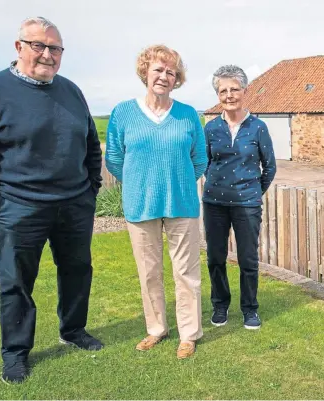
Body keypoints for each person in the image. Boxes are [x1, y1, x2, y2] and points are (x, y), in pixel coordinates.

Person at [0, 17, 104, 384]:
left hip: (74, 203)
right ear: (18, 47)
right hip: (18, 206)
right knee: (15, 283)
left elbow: (91, 142)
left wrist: (90, 187)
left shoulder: (71, 91)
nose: (47, 54)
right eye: (38, 46)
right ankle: (15, 353)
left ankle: (73, 330)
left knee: (77, 271)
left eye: (55, 48)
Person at [106, 45, 207, 359]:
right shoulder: (123, 112)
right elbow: (113, 158)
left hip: (183, 205)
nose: (164, 76)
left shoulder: (188, 114)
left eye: (171, 72)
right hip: (140, 205)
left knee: (186, 272)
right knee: (149, 272)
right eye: (158, 70)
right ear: (145, 72)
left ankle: (189, 334)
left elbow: (200, 160)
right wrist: (141, 184)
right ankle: (157, 329)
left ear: (177, 79)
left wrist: (174, 185)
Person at [203, 65, 276, 330]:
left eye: (234, 89)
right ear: (218, 94)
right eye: (223, 90)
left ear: (244, 91)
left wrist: (253, 191)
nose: (229, 94)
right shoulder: (210, 128)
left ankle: (250, 309)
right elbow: (205, 162)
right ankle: (220, 306)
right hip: (214, 204)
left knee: (247, 258)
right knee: (215, 257)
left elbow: (269, 167)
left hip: (247, 205)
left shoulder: (258, 127)